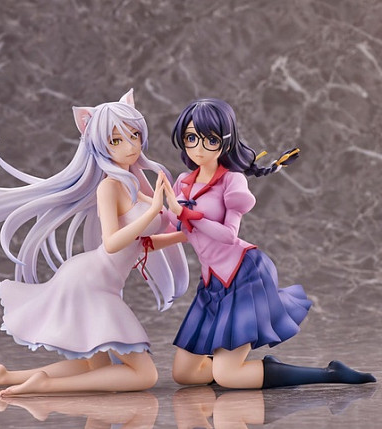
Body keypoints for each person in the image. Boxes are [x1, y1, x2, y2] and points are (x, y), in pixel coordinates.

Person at [0, 89, 188, 396]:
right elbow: (112, 242)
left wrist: (188, 233)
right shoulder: (109, 187)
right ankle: (46, 385)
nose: (130, 146)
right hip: (90, 283)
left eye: (134, 135)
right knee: (144, 375)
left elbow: (142, 242)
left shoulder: (133, 184)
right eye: (116, 140)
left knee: (93, 367)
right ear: (99, 145)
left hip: (99, 280)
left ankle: (5, 375)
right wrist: (153, 211)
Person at [157, 98, 376, 389]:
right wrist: (146, 237)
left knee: (228, 377)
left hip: (243, 274)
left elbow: (228, 235)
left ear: (225, 141)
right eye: (191, 138)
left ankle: (330, 373)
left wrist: (184, 213)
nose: (198, 148)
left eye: (210, 140)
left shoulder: (232, 181)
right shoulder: (184, 181)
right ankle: (258, 369)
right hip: (213, 281)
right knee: (185, 374)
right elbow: (182, 230)